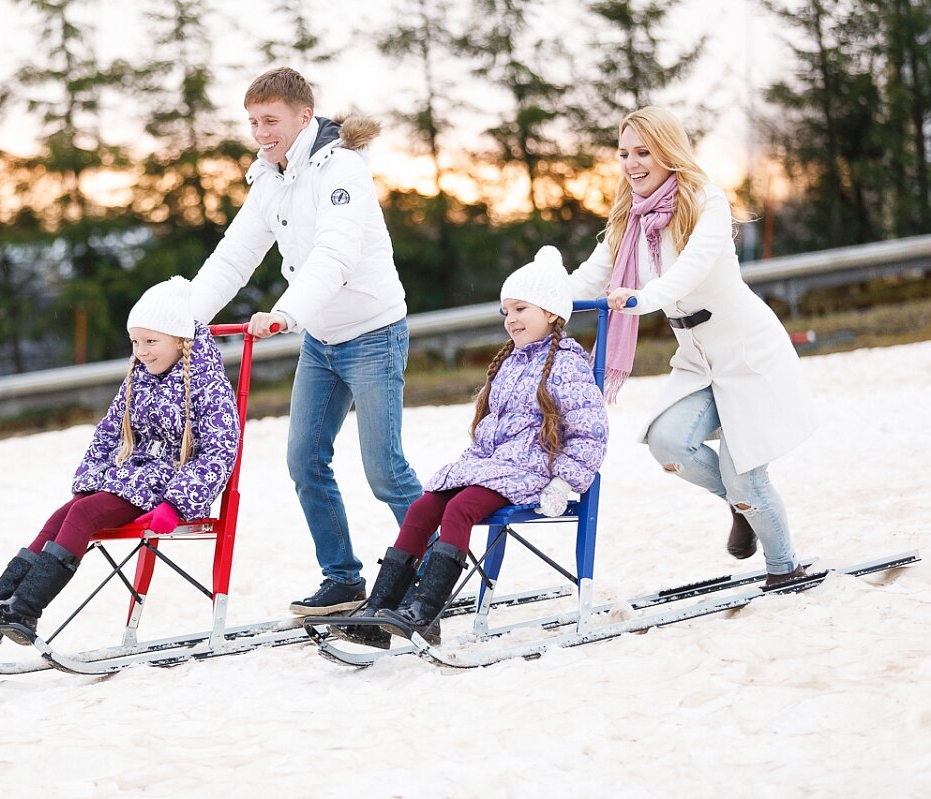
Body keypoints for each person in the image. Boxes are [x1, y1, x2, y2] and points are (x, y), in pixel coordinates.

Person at [188, 66, 423, 615]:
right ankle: (342, 578)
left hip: (372, 333)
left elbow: (336, 256)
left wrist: (287, 313)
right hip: (322, 340)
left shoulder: (341, 170)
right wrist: (183, 321)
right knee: (304, 460)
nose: (261, 132)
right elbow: (234, 256)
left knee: (385, 469)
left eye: (270, 120)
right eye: (252, 122)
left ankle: (435, 565)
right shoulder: (270, 178)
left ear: (304, 116)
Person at [568, 106, 816, 587]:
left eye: (643, 152)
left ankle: (784, 569)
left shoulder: (707, 200)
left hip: (746, 350)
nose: (632, 163)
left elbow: (690, 271)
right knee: (667, 443)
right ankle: (740, 506)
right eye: (624, 154)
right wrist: (537, 298)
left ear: (668, 150)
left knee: (745, 472)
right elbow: (590, 275)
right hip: (696, 357)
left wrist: (641, 299)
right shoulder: (628, 218)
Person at [0, 277, 241, 645]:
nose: (141, 351)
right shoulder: (139, 378)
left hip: (166, 486)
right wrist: (92, 477)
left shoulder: (209, 386)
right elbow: (108, 432)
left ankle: (25, 611)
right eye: (135, 342)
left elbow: (219, 452)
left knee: (83, 515)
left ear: (181, 339)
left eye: (151, 341)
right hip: (129, 479)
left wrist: (175, 504)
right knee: (64, 513)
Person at [334, 246, 609, 648]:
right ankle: (378, 610)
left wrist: (564, 483)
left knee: (460, 509)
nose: (511, 320)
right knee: (424, 506)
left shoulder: (568, 364)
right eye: (506, 312)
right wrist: (472, 464)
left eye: (521, 309)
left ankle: (424, 612)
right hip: (494, 468)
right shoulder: (508, 363)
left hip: (533, 473)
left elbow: (590, 432)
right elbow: (490, 429)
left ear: (551, 312)